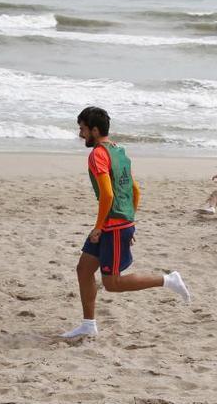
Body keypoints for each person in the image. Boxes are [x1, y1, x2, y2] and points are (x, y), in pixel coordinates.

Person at [62, 107, 190, 338]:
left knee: (112, 283)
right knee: (84, 270)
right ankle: (88, 326)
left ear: (94, 129)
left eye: (82, 129)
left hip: (113, 226)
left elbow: (108, 195)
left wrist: (99, 227)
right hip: (118, 222)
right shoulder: (119, 152)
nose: (80, 134)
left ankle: (168, 280)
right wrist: (129, 219)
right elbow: (135, 190)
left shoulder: (98, 154)